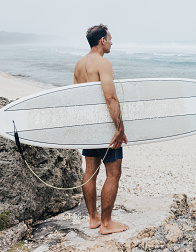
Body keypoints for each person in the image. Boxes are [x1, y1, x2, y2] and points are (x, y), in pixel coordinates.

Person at [73, 24, 129, 235]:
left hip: (88, 126)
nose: (112, 42)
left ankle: (93, 218)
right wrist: (120, 128)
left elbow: (78, 99)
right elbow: (110, 97)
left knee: (90, 172)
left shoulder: (79, 65)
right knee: (113, 173)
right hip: (105, 127)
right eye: (110, 38)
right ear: (102, 41)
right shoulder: (103, 63)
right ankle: (106, 223)